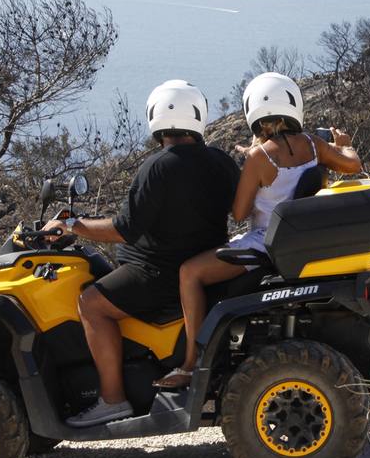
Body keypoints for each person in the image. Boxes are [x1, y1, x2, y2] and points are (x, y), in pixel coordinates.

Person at [43, 79, 238, 427]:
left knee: (90, 302)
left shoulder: (158, 166)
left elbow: (124, 229)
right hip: (200, 261)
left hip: (157, 272)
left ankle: (112, 398)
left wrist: (73, 224)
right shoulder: (220, 161)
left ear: (155, 117)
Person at [154, 72, 361, 389]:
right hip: (295, 242)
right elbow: (352, 164)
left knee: (189, 273)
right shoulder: (313, 145)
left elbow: (239, 213)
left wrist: (250, 167)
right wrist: (342, 146)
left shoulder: (259, 157)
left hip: (262, 244)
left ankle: (191, 363)